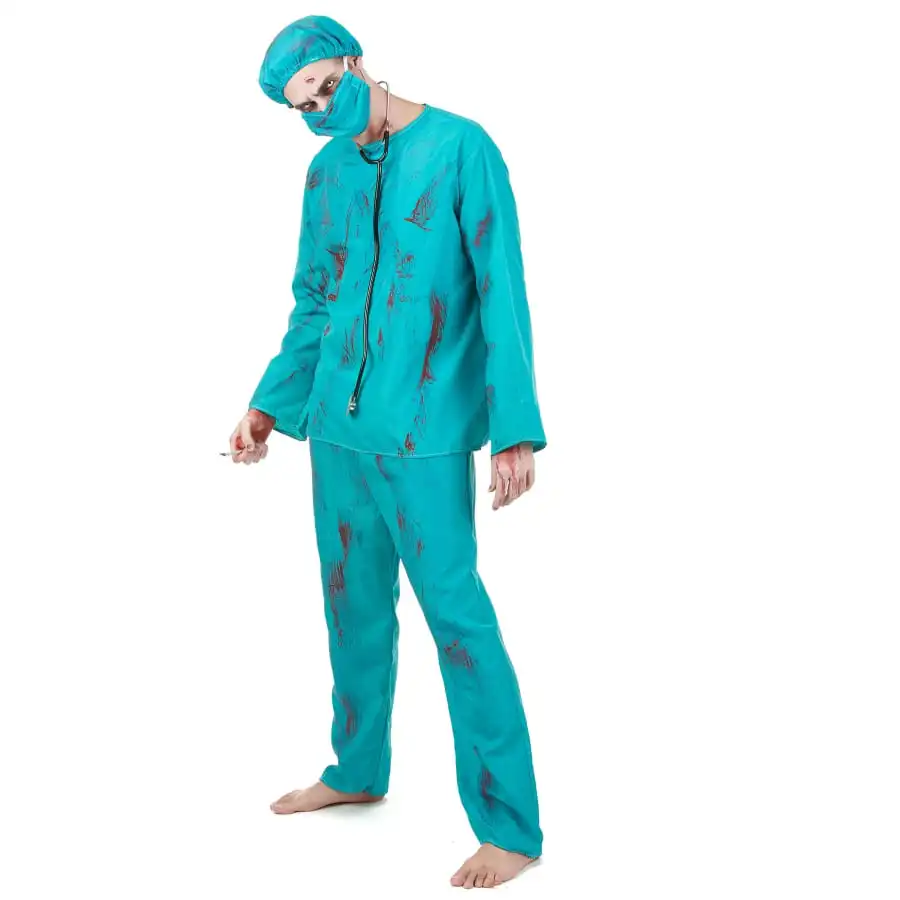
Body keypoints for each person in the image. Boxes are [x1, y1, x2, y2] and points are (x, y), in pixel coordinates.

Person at [228, 15, 547, 889]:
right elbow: (314, 300)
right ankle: (357, 769)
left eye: (325, 88)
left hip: (425, 436)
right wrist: (268, 405)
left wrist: (515, 428)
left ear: (354, 59)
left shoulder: (461, 148)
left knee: (459, 623)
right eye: (302, 106)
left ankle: (510, 827)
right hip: (336, 433)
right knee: (352, 610)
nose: (320, 110)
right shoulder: (326, 172)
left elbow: (502, 289)